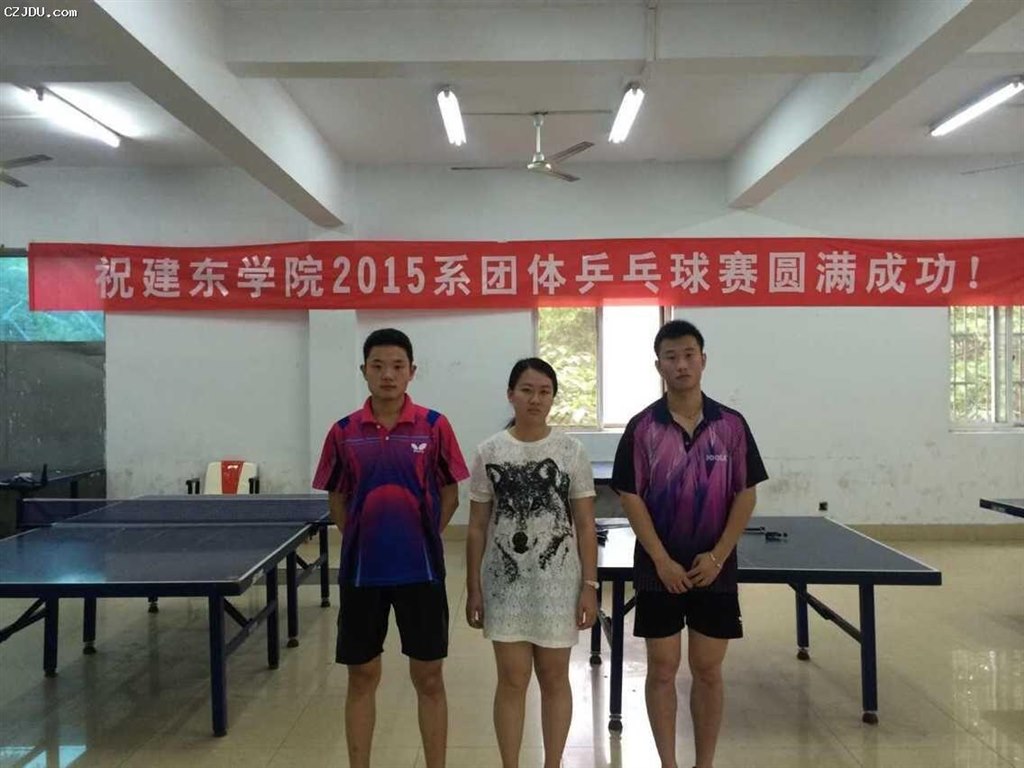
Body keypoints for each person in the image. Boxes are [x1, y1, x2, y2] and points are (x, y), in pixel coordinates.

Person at [611, 320, 768, 768]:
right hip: (658, 568)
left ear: (703, 360)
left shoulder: (731, 425)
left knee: (708, 670)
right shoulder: (643, 427)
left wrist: (718, 556)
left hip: (713, 567)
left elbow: (746, 493)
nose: (681, 364)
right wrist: (661, 560)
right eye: (671, 357)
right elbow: (630, 496)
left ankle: (704, 764)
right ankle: (668, 763)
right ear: (658, 365)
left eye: (688, 355)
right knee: (662, 670)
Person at [312, 328, 469, 768]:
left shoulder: (434, 426)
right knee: (362, 675)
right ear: (363, 370)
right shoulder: (343, 432)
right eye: (378, 366)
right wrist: (361, 538)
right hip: (363, 573)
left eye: (397, 366)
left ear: (411, 371)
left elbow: (451, 493)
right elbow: (337, 497)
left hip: (422, 571)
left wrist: (423, 535)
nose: (388, 374)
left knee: (429, 676)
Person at [465, 357, 599, 768]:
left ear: (553, 398)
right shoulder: (489, 451)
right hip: (505, 585)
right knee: (511, 680)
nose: (535, 399)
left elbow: (585, 524)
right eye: (526, 390)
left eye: (544, 392)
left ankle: (552, 763)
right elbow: (477, 527)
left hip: (559, 584)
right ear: (511, 395)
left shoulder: (571, 452)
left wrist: (589, 586)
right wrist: (473, 587)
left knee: (555, 679)